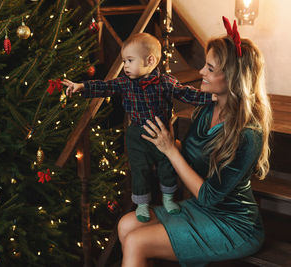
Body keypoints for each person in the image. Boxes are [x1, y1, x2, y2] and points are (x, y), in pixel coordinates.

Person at [117, 16, 272, 266]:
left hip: (232, 224)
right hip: (199, 208)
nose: (201, 71)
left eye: (210, 68)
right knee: (126, 224)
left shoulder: (248, 134)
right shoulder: (204, 111)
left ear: (232, 78)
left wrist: (171, 150)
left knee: (136, 241)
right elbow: (186, 160)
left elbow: (209, 196)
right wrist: (159, 144)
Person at [62, 33, 213, 222]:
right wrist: (81, 86)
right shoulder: (125, 83)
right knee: (139, 169)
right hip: (136, 135)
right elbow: (105, 86)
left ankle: (168, 198)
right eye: (124, 61)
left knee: (167, 165)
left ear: (150, 60)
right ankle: (142, 204)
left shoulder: (166, 82)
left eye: (129, 60)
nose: (125, 65)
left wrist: (211, 97)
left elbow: (186, 94)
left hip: (161, 134)